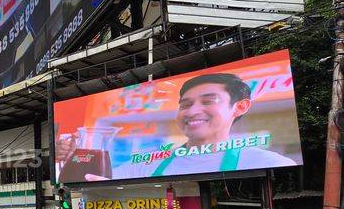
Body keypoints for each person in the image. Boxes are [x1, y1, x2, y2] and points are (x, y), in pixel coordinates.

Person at [57, 73, 297, 181]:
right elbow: (97, 178)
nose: (192, 111)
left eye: (208, 101)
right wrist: (65, 158)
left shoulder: (269, 162)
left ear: (240, 107)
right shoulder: (147, 163)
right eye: (185, 104)